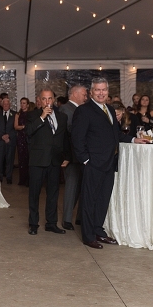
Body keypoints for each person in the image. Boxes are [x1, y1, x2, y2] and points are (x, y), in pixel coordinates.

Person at [71, 78, 144, 249]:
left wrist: (133, 139)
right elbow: (77, 138)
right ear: (91, 92)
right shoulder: (83, 111)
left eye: (104, 90)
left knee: (103, 199)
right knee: (89, 200)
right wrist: (86, 160)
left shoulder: (110, 109)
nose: (101, 93)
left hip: (109, 163)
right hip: (93, 163)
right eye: (97, 90)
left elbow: (115, 134)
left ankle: (98, 231)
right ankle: (88, 236)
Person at [25, 89, 71, 235]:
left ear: (54, 99)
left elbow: (65, 138)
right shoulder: (32, 116)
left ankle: (51, 223)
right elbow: (28, 132)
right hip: (38, 160)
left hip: (55, 160)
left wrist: (67, 156)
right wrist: (42, 117)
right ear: (39, 100)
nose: (47, 102)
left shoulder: (62, 117)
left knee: (53, 193)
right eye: (44, 99)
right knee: (34, 193)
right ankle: (33, 223)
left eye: (49, 98)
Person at [58, 85, 88, 230]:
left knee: (81, 187)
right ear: (75, 94)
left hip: (80, 155)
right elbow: (67, 134)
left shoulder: (78, 109)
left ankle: (78, 218)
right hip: (71, 155)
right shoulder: (66, 109)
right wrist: (67, 156)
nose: (85, 97)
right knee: (71, 187)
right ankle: (67, 219)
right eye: (83, 94)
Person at [0, 97, 17, 184]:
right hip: (0, 141)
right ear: (2, 105)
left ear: (10, 105)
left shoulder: (15, 114)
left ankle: (9, 177)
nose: (6, 105)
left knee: (10, 160)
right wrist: (2, 136)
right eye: (4, 104)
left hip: (11, 141)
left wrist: (9, 136)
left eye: (7, 104)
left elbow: (16, 128)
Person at [14, 97, 30, 186]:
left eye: (24, 103)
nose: (22, 105)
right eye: (21, 103)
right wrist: (24, 127)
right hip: (21, 138)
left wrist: (23, 127)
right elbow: (16, 126)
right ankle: (23, 179)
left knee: (28, 159)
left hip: (28, 138)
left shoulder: (30, 114)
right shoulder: (18, 114)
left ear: (27, 104)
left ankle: (29, 180)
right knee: (22, 159)